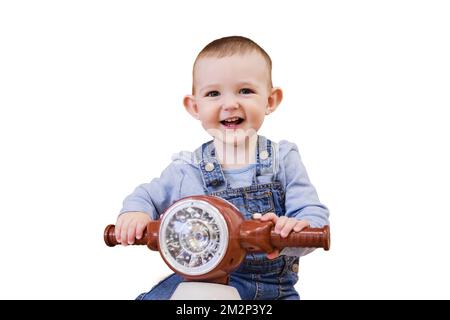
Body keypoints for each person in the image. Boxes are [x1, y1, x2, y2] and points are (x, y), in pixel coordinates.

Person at [115, 36, 329, 300]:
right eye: (213, 94)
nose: (230, 104)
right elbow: (146, 195)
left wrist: (295, 228)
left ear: (271, 101)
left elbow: (313, 213)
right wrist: (135, 214)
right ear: (195, 106)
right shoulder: (187, 168)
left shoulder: (282, 160)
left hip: (275, 288)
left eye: (245, 91)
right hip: (205, 281)